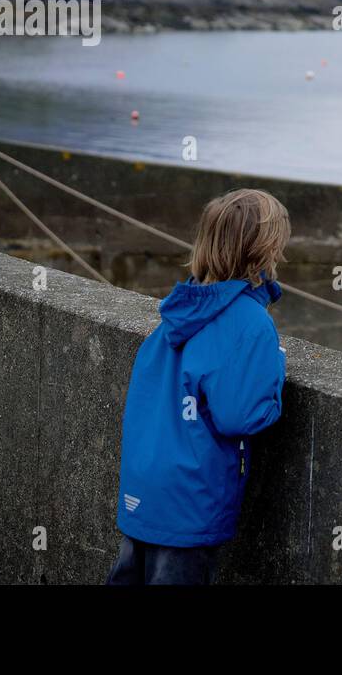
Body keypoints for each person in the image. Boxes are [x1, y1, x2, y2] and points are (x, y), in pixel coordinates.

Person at [107, 188, 290, 585]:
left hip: (145, 491)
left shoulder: (177, 311)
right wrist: (277, 362)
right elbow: (240, 415)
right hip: (190, 501)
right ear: (263, 253)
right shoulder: (250, 322)